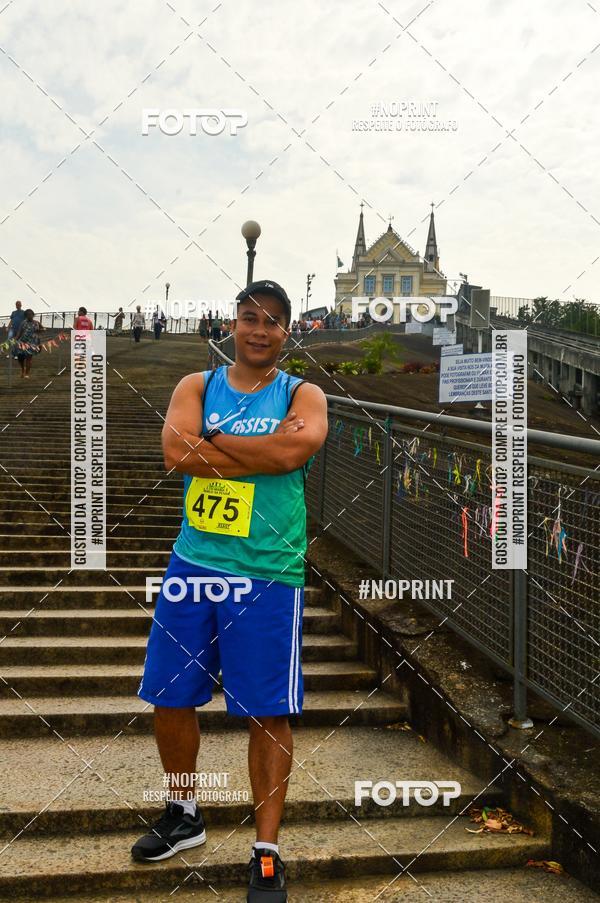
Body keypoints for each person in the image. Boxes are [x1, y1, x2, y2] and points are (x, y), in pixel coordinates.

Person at [133, 279, 328, 902]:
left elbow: (296, 450)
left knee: (267, 712)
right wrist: (262, 452)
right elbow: (174, 450)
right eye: (250, 318)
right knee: (169, 692)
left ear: (287, 331)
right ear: (233, 324)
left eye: (273, 321)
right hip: (194, 563)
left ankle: (266, 850)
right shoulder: (197, 385)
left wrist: (212, 443)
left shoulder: (304, 393)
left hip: (267, 571)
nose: (260, 330)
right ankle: (184, 813)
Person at [13, 309, 43, 378]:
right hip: (23, 342)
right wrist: (14, 340)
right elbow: (19, 333)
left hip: (33, 343)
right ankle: (23, 369)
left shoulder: (37, 323)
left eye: (31, 314)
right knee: (20, 358)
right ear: (26, 316)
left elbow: (43, 329)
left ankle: (27, 373)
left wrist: (40, 330)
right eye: (28, 315)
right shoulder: (23, 323)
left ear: (33, 315)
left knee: (29, 358)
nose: (30, 316)